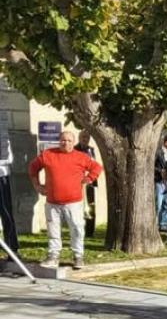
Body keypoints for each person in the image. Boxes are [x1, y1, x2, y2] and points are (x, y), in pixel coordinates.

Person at [27, 129, 102, 269]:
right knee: (53, 230)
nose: (65, 143)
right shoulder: (48, 155)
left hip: (74, 203)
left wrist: (88, 178)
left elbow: (97, 168)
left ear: (73, 143)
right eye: (63, 140)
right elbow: (32, 168)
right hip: (52, 202)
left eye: (69, 140)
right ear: (59, 141)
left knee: (77, 229)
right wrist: (37, 186)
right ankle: (53, 256)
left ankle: (78, 256)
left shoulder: (81, 157)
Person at [0, 107, 19, 262]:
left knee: (6, 212)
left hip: (1, 176)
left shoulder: (2, 123)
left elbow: (8, 156)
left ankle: (12, 249)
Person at [75, 130, 98, 238]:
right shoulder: (75, 149)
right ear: (79, 138)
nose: (85, 139)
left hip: (90, 182)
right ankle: (79, 230)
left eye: (87, 137)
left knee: (91, 206)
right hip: (78, 183)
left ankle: (90, 231)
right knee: (79, 207)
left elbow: (95, 164)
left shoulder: (91, 150)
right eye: (83, 137)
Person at [155, 134, 167, 232]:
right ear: (166, 142)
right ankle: (155, 224)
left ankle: (163, 224)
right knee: (158, 204)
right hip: (159, 182)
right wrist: (160, 171)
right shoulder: (158, 152)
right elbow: (151, 166)